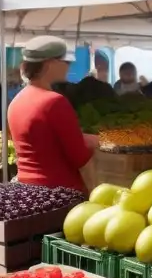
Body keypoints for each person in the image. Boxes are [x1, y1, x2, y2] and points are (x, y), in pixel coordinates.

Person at [8, 36, 98, 192]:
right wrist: (95, 194)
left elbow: (42, 141)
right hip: (58, 194)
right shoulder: (54, 102)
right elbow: (80, 158)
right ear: (50, 64)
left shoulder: (16, 101)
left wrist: (83, 138)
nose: (68, 66)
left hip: (25, 190)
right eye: (65, 61)